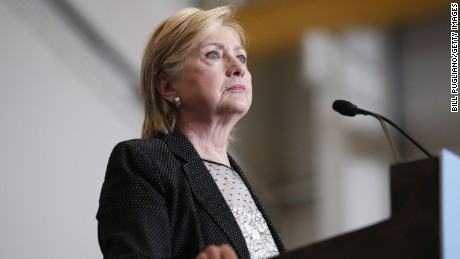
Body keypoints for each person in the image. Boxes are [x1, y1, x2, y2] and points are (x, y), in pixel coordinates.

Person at [96, 5, 286, 258]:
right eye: (213, 55)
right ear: (168, 86)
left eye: (241, 57)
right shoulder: (144, 162)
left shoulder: (236, 178)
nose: (238, 68)